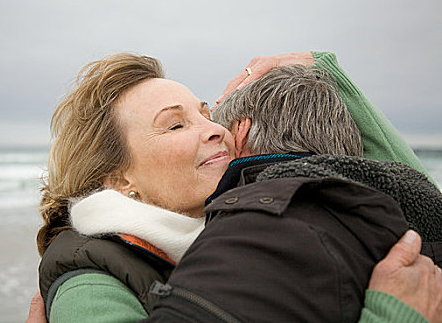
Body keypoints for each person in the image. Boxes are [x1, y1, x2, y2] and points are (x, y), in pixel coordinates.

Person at [28, 51, 441, 323]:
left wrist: (322, 68)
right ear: (120, 178)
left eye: (207, 114)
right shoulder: (90, 276)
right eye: (175, 124)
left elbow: (412, 198)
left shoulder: (240, 231)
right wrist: (394, 315)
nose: (214, 130)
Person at [144, 64, 442, 322]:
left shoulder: (255, 230)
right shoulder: (411, 217)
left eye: (215, 126)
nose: (212, 137)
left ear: (241, 132)